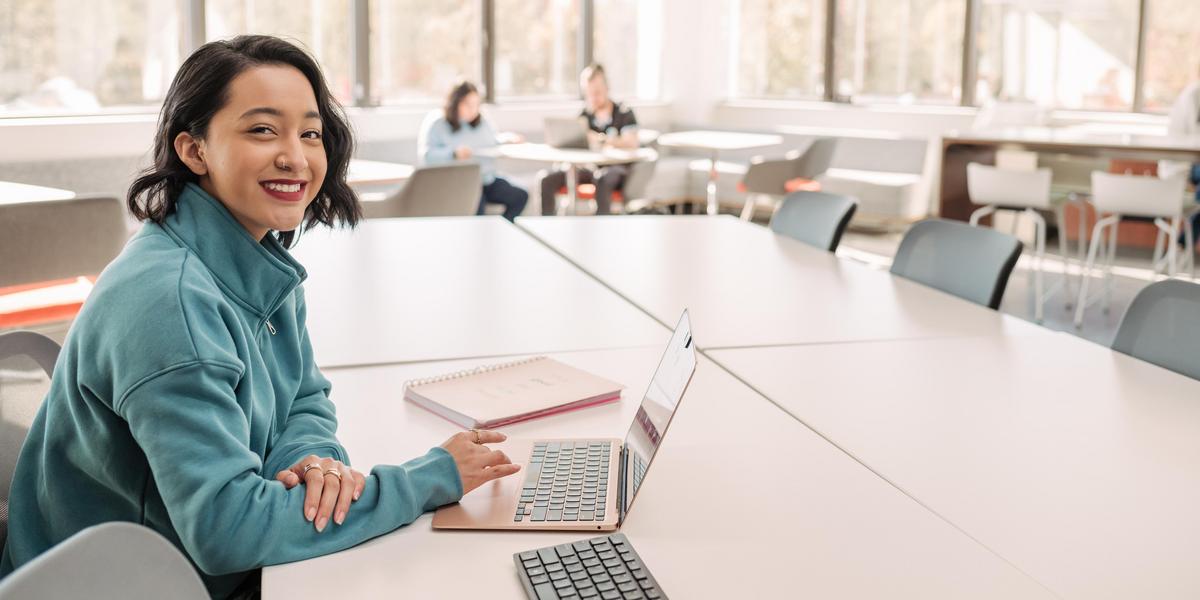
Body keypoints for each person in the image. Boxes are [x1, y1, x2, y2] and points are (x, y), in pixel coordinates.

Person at [0, 36, 520, 599]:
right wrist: (427, 480)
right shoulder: (168, 303)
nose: (295, 156)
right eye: (262, 130)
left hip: (186, 563)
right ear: (194, 151)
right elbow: (228, 530)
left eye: (310, 133)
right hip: (127, 584)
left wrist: (312, 461)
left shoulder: (253, 261)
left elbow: (303, 397)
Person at [419, 81, 528, 221]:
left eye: (476, 105)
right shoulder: (438, 123)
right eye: (468, 104)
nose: (473, 110)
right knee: (477, 207)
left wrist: (507, 139)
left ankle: (502, 227)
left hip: (487, 180)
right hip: (460, 184)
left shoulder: (482, 122)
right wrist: (453, 153)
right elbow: (427, 156)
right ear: (455, 102)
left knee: (520, 196)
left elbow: (491, 141)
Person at [540, 64, 639, 215]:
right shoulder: (585, 115)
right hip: (589, 168)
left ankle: (600, 228)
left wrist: (602, 140)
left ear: (607, 88)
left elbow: (631, 142)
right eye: (589, 93)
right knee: (546, 179)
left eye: (597, 92)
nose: (593, 97)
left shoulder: (624, 113)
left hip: (615, 169)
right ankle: (546, 226)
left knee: (602, 180)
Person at [1166, 68, 1200, 243]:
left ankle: (1182, 246)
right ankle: (1182, 245)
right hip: (1185, 164)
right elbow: (1194, 136)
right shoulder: (1194, 94)